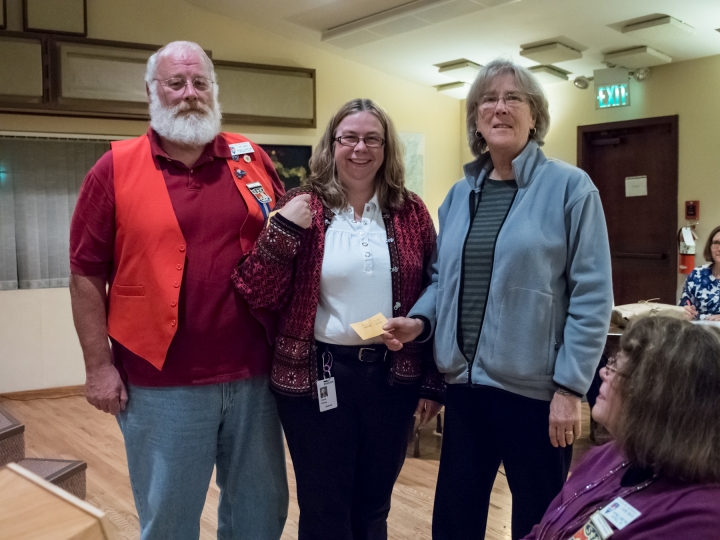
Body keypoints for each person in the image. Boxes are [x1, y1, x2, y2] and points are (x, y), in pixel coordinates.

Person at [382, 59, 613, 540]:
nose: (500, 108)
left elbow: (592, 296)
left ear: (536, 116)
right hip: (466, 389)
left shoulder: (571, 188)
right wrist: (420, 323)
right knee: (454, 521)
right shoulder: (460, 194)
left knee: (537, 522)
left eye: (514, 99)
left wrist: (570, 389)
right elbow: (444, 278)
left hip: (536, 396)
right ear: (475, 118)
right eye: (488, 99)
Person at [69, 41, 288, 540]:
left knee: (260, 514)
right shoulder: (115, 169)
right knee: (169, 520)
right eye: (176, 83)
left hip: (256, 376)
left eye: (200, 83)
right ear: (152, 91)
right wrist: (98, 366)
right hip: (161, 383)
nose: (190, 94)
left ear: (213, 89)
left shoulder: (250, 157)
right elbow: (85, 272)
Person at [232, 98, 444, 540]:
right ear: (332, 145)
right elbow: (256, 288)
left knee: (373, 507)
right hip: (316, 379)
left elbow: (435, 291)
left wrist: (430, 381)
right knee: (325, 508)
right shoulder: (301, 205)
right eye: (349, 137)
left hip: (391, 377)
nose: (360, 148)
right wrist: (285, 229)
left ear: (386, 149)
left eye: (372, 138)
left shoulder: (412, 212)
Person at [525, 316, 720, 539]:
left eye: (615, 367)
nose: (602, 374)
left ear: (658, 396)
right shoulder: (607, 455)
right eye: (610, 363)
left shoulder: (701, 519)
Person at [680, 225, 720, 321]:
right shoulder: (697, 274)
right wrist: (685, 312)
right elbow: (682, 307)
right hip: (698, 331)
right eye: (716, 243)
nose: (719, 248)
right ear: (710, 247)